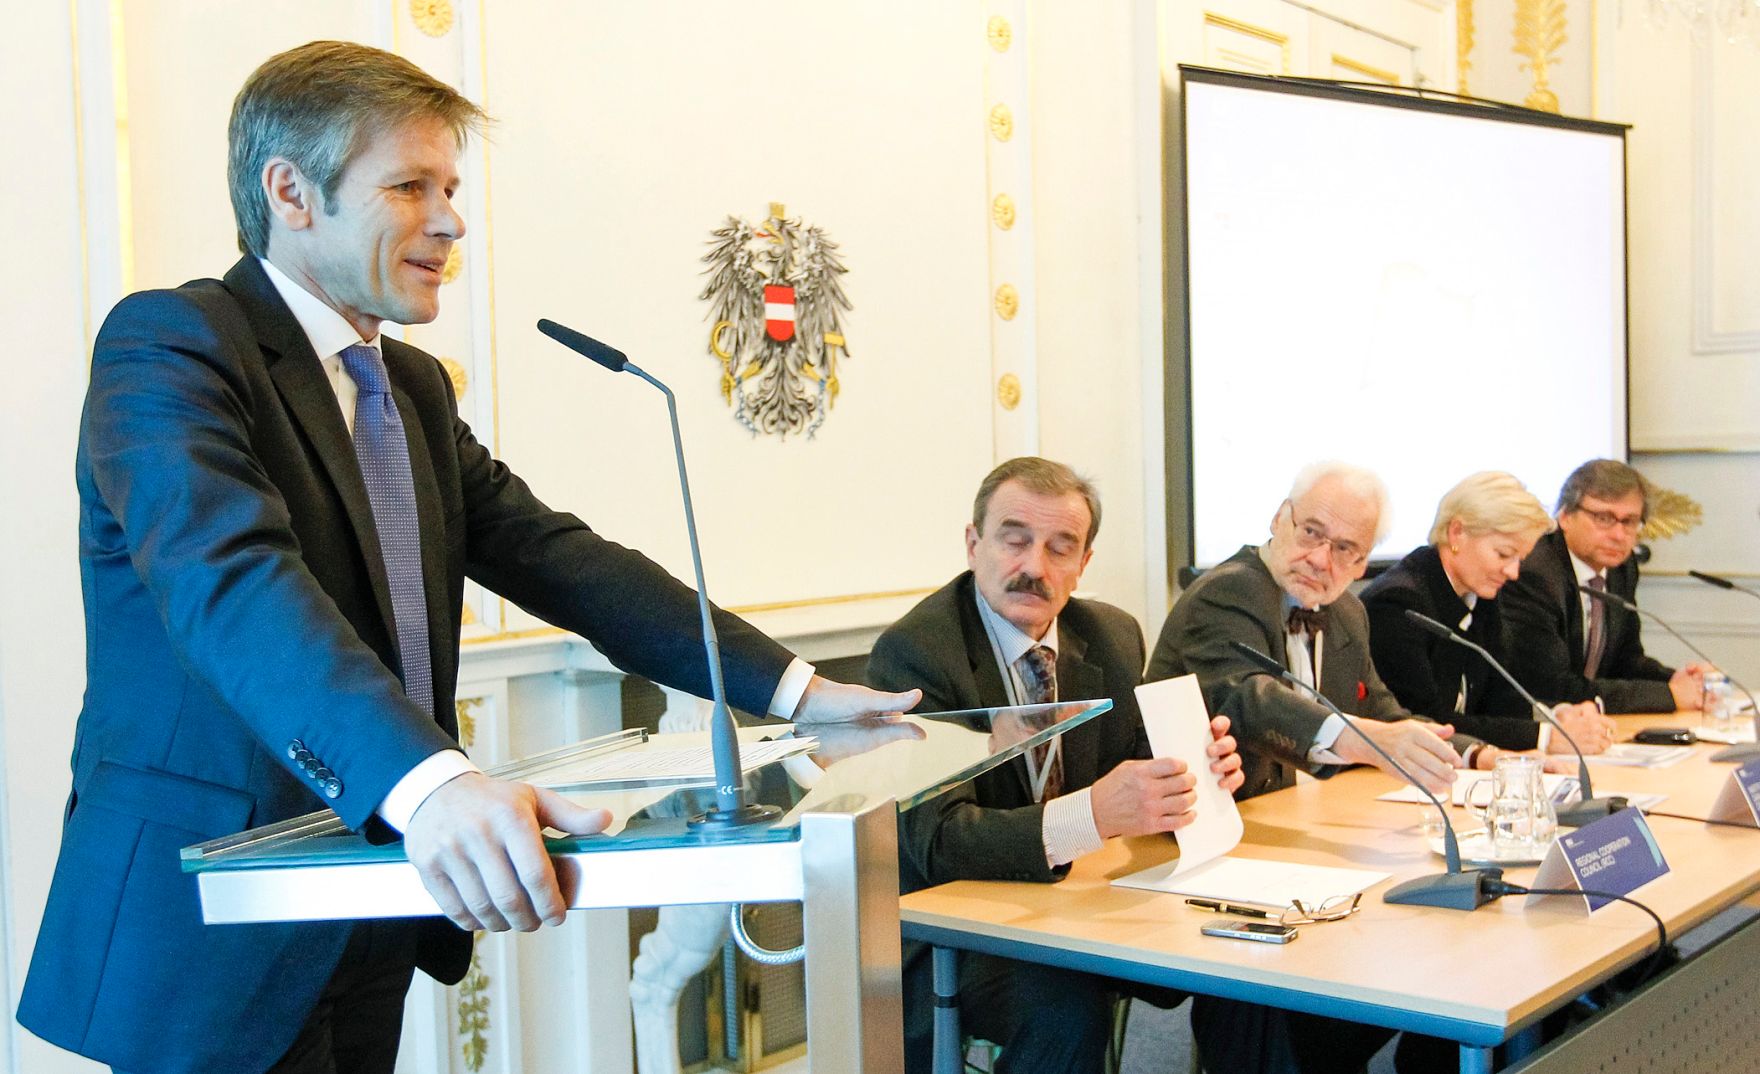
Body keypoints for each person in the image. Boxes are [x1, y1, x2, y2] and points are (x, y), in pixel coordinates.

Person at [17, 41, 917, 1074]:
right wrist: (431, 785)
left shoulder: (409, 386)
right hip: (210, 923)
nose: (450, 221)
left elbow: (557, 558)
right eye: (410, 186)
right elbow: (232, 583)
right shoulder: (170, 343)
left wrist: (799, 692)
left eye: (449, 188)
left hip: (375, 892)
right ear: (291, 193)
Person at [866, 457, 1243, 1074]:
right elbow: (936, 841)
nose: (1035, 568)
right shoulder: (917, 654)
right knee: (1064, 1005)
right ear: (973, 544)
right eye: (1014, 541)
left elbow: (1133, 762)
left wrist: (1192, 774)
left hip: (1076, 904)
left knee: (1241, 953)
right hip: (952, 928)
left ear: (1083, 563)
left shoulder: (1112, 634)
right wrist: (1093, 815)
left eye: (1059, 548)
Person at [1149, 461, 1497, 1074]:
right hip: (1191, 844)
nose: (1320, 558)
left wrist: (1476, 753)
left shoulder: (1347, 613)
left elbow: (1382, 710)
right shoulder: (1229, 591)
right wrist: (1367, 740)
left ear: (1362, 564)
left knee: (1424, 933)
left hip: (1278, 844)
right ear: (1278, 519)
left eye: (1344, 549)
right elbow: (1248, 698)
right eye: (1311, 532)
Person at [1362, 471, 1617, 756]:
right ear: (1457, 533)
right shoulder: (1397, 605)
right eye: (1503, 554)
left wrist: (1557, 716)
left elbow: (1497, 700)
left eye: (1520, 559)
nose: (1513, 572)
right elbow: (1427, 720)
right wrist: (1545, 737)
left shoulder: (1480, 595)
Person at [1499, 459, 1708, 714]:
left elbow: (1625, 661)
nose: (1618, 535)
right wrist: (1668, 695)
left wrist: (1676, 680)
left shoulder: (1622, 567)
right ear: (1565, 516)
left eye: (1629, 521)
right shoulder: (1535, 573)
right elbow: (1552, 686)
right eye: (1604, 518)